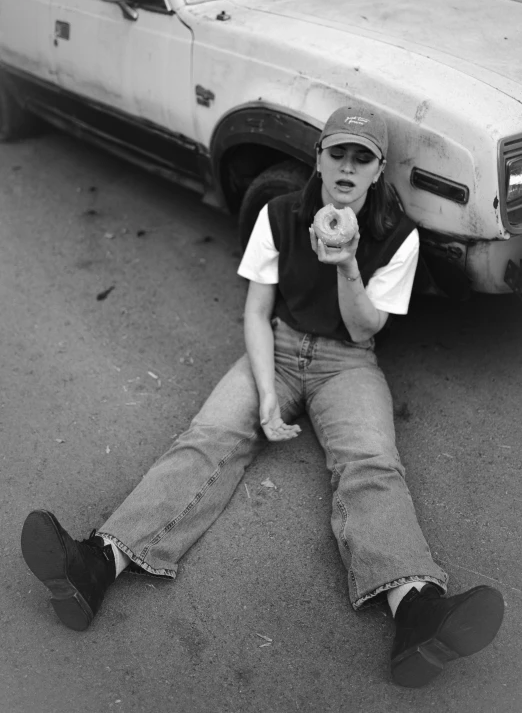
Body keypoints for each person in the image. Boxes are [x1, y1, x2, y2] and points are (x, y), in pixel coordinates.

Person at [20, 102, 504, 688]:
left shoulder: (395, 236)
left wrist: (348, 264)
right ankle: (96, 565)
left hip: (346, 363)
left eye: (363, 158)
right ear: (319, 158)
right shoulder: (279, 215)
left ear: (379, 170)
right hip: (275, 346)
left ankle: (419, 611)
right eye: (338, 154)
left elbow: (365, 330)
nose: (348, 168)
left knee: (370, 465)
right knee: (209, 438)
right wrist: (268, 391)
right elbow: (256, 310)